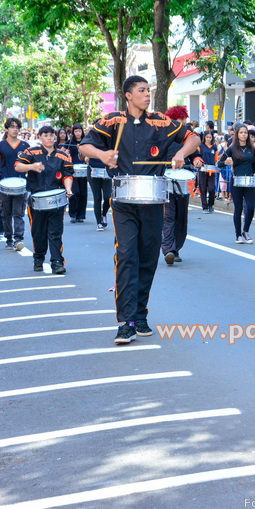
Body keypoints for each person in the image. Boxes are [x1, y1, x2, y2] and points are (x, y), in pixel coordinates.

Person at [79, 75, 200, 345]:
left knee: (147, 258)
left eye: (148, 90)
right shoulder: (113, 120)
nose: (147, 95)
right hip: (123, 201)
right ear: (128, 96)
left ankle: (140, 314)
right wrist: (102, 155)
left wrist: (182, 153)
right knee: (126, 256)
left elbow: (193, 137)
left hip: (154, 201)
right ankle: (126, 322)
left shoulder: (161, 121)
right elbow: (84, 145)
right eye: (141, 90)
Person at [15, 125, 74, 274]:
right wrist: (33, 167)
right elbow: (17, 166)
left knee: (56, 232)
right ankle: (39, 259)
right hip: (36, 199)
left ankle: (57, 262)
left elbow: (68, 174)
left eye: (51, 135)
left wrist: (68, 188)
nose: (49, 138)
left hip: (57, 200)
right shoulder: (31, 152)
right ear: (40, 137)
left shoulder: (63, 155)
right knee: (38, 232)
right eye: (45, 135)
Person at [162, 105, 203, 264]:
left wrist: (197, 160)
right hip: (165, 179)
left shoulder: (188, 137)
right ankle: (168, 249)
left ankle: (176, 248)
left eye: (184, 119)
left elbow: (195, 154)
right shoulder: (162, 135)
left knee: (181, 216)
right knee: (168, 215)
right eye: (181, 119)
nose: (184, 122)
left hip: (183, 180)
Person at [0, 118, 30, 251]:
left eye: (17, 127)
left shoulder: (25, 146)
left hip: (20, 183)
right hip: (4, 183)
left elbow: (31, 163)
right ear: (6, 129)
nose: (15, 129)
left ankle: (18, 239)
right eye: (12, 127)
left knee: (18, 212)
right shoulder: (0, 146)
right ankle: (8, 239)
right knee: (5, 213)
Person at [218, 123, 255, 244]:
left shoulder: (252, 149)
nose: (243, 135)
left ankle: (245, 231)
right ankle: (238, 235)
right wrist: (226, 162)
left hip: (249, 181)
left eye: (245, 133)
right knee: (238, 208)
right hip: (236, 182)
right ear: (237, 134)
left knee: (251, 207)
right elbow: (220, 163)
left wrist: (250, 173)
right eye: (241, 132)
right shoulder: (232, 148)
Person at [66, 124, 89, 223]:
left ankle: (81, 215)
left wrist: (81, 149)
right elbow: (61, 152)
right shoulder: (69, 142)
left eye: (79, 131)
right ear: (73, 132)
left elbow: (88, 155)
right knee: (75, 192)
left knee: (83, 193)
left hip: (83, 169)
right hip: (73, 169)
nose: (78, 133)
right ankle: (73, 214)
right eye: (76, 131)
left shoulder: (86, 142)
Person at [198, 130, 218, 213]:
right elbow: (198, 156)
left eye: (210, 137)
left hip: (211, 169)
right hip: (203, 169)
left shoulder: (214, 147)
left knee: (211, 188)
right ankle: (204, 206)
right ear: (204, 138)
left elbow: (216, 158)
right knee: (203, 188)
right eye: (207, 137)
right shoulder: (201, 146)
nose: (209, 139)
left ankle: (210, 204)